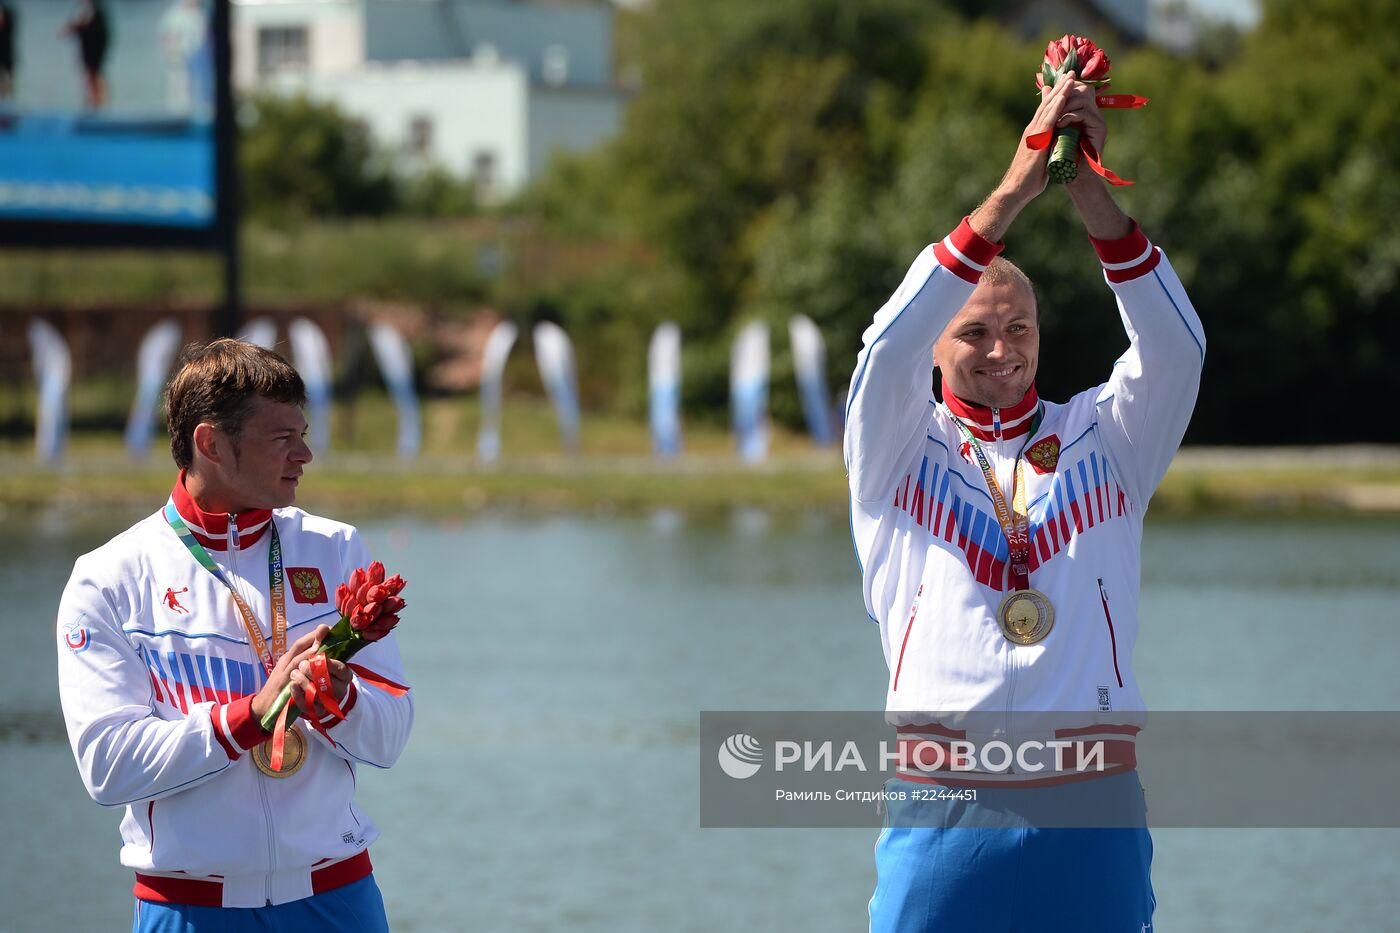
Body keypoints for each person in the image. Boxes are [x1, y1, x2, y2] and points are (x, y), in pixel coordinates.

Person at [845, 72, 1204, 931]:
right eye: (972, 329)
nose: (1000, 350)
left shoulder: (1109, 438)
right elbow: (883, 344)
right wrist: (1013, 192)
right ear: (937, 344)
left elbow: (1178, 347)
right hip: (943, 812)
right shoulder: (895, 445)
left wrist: (1090, 197)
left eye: (1019, 329)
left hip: (1091, 809)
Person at [57, 339, 413, 931]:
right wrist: (249, 715)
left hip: (337, 897)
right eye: (282, 439)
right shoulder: (108, 579)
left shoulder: (334, 548)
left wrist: (339, 699)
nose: (305, 454)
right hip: (188, 907)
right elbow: (108, 766)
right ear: (211, 444)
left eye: (303, 433)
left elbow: (391, 737)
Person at [62, 0, 109, 110]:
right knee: (92, 77)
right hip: (92, 48)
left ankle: (98, 105)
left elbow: (82, 24)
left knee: (93, 76)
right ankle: (95, 104)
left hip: (93, 49)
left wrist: (70, 29)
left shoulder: (92, 9)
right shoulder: (93, 9)